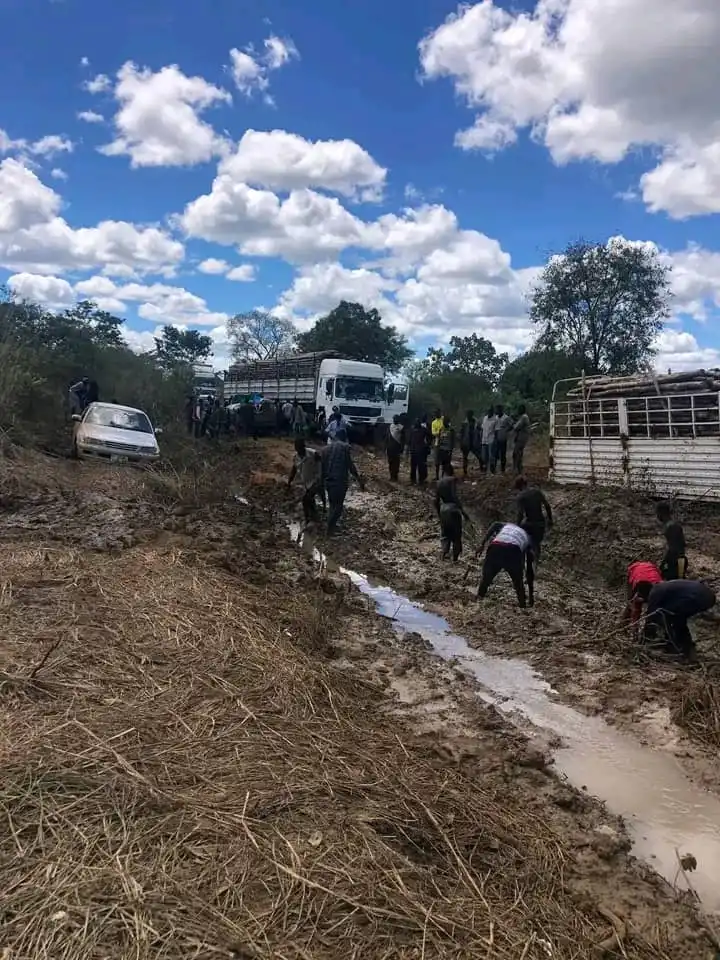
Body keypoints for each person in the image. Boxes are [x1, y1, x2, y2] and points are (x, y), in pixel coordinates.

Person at [643, 579, 716, 660]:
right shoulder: (662, 587)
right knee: (677, 619)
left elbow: (650, 616)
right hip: (708, 595)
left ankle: (677, 649)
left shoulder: (654, 592)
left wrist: (644, 638)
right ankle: (686, 648)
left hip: (697, 598)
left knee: (674, 619)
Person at [477, 521, 535, 608]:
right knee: (518, 583)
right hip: (513, 551)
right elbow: (529, 569)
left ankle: (479, 597)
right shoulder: (528, 538)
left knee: (486, 578)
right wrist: (531, 596)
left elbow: (495, 524)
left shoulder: (508, 526)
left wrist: (482, 544)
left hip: (495, 547)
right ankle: (522, 606)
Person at [321, 427, 364, 534]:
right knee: (339, 506)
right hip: (339, 481)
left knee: (332, 505)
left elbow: (322, 466)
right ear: (345, 437)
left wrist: (321, 481)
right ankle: (330, 528)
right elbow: (350, 466)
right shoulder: (345, 447)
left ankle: (331, 526)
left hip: (329, 481)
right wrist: (359, 480)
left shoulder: (326, 448)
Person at [435, 464, 470, 561]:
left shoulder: (439, 482)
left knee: (445, 533)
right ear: (452, 471)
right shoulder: (452, 480)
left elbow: (436, 501)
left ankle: (443, 554)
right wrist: (463, 512)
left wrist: (439, 513)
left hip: (443, 509)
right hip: (452, 509)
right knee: (456, 535)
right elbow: (454, 496)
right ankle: (455, 559)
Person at [288, 438, 325, 526]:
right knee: (310, 499)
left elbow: (321, 461)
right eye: (297, 448)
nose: (299, 450)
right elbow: (293, 469)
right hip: (306, 482)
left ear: (304, 446)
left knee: (306, 499)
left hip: (315, 480)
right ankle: (315, 516)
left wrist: (321, 475)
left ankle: (308, 519)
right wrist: (289, 481)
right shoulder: (296, 457)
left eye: (300, 447)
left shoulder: (312, 453)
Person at [623, 560, 663, 639]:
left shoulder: (660, 589)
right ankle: (623, 625)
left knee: (654, 611)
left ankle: (650, 634)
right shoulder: (636, 587)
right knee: (631, 603)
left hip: (652, 577)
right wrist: (635, 630)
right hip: (637, 573)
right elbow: (636, 611)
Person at [515, 476, 553, 559]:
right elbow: (547, 506)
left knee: (525, 541)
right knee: (537, 543)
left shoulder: (521, 496)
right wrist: (550, 519)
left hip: (529, 524)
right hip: (541, 523)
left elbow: (520, 514)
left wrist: (517, 526)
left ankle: (527, 558)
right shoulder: (537, 491)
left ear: (519, 487)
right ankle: (536, 561)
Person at [657, 501, 687, 580]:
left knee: (676, 582)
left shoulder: (672, 526)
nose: (657, 516)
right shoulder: (670, 525)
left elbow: (673, 548)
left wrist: (664, 562)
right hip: (675, 560)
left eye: (657, 513)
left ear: (661, 513)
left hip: (677, 561)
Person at [408, 418, 430, 486]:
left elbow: (430, 436)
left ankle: (421, 480)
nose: (416, 424)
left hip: (421, 451)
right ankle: (413, 480)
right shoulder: (412, 429)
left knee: (421, 466)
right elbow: (409, 440)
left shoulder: (423, 429)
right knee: (413, 466)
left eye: (417, 423)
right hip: (413, 450)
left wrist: (427, 444)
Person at [493, 404, 513, 473]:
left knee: (502, 454)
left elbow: (511, 425)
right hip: (496, 437)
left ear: (501, 410)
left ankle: (502, 469)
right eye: (497, 410)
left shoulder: (506, 417)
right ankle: (494, 469)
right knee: (495, 454)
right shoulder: (495, 417)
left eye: (498, 410)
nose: (497, 411)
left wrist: (505, 430)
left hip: (502, 437)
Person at [435, 415, 455, 480]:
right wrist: (438, 447)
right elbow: (439, 439)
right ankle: (440, 476)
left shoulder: (451, 430)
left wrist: (451, 450)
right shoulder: (441, 429)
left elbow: (452, 441)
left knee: (447, 465)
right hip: (441, 449)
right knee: (441, 464)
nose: (444, 423)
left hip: (447, 450)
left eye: (445, 421)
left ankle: (445, 477)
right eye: (444, 421)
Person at [512, 404, 531, 474]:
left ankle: (517, 470)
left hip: (521, 438)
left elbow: (516, 427)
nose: (518, 411)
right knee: (518, 454)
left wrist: (513, 423)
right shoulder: (523, 417)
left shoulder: (524, 417)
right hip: (522, 438)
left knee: (516, 453)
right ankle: (519, 470)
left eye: (519, 409)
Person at [459, 410, 478, 477]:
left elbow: (478, 431)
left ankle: (482, 467)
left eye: (469, 414)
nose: (468, 416)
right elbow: (461, 434)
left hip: (473, 442)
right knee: (465, 458)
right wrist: (461, 443)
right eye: (467, 414)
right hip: (466, 442)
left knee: (479, 455)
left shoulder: (476, 422)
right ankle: (465, 471)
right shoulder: (464, 423)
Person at [479, 406, 498, 474]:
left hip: (491, 439)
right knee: (484, 456)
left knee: (491, 456)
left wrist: (495, 440)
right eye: (488, 411)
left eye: (490, 411)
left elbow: (496, 431)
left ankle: (492, 470)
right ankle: (486, 470)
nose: (488, 412)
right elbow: (482, 428)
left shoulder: (495, 419)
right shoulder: (485, 418)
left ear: (492, 412)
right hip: (484, 439)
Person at [387, 415, 404, 481]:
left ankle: (395, 476)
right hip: (390, 447)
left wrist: (402, 447)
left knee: (396, 463)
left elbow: (403, 438)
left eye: (396, 419)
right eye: (394, 419)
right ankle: (391, 476)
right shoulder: (390, 426)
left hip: (397, 447)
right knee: (390, 462)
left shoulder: (401, 427)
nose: (394, 420)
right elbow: (387, 437)